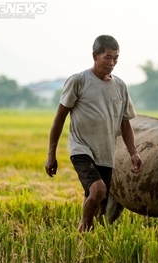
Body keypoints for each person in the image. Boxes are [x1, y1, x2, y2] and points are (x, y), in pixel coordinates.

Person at [45, 35, 143, 233]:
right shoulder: (78, 81)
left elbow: (125, 124)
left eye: (116, 58)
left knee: (96, 200)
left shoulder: (121, 86)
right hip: (81, 148)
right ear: (94, 55)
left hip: (106, 154)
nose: (112, 63)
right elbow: (59, 119)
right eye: (108, 57)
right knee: (98, 190)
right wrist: (51, 155)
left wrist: (133, 152)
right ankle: (86, 229)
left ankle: (83, 234)